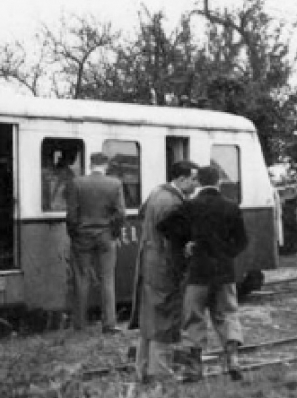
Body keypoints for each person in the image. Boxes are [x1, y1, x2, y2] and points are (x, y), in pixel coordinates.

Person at [157, 165, 248, 382]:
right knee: (227, 314)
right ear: (218, 182)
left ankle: (194, 369)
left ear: (199, 182)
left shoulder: (190, 206)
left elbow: (164, 227)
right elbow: (242, 241)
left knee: (194, 318)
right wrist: (226, 253)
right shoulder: (231, 207)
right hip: (224, 272)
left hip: (197, 271)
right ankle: (233, 359)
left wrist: (185, 243)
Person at [128, 160, 199, 383]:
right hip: (164, 263)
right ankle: (160, 372)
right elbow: (174, 239)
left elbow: (142, 216)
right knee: (165, 316)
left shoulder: (156, 192)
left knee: (149, 317)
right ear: (182, 179)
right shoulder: (173, 202)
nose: (196, 184)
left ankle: (142, 369)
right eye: (193, 179)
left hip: (147, 260)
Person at [66, 152, 125, 333]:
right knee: (107, 279)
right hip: (106, 235)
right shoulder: (115, 184)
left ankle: (79, 324)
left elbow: (71, 214)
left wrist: (74, 234)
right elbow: (121, 213)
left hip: (82, 235)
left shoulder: (78, 183)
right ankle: (109, 323)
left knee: (81, 278)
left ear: (91, 164)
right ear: (105, 165)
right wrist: (114, 233)